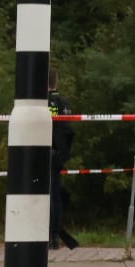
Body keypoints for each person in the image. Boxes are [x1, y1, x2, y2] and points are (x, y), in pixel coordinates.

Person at [46, 69, 80, 250]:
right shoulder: (64, 104)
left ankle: (48, 234)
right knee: (56, 195)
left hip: (41, 153)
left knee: (45, 196)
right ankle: (55, 237)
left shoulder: (39, 103)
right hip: (58, 155)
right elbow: (69, 132)